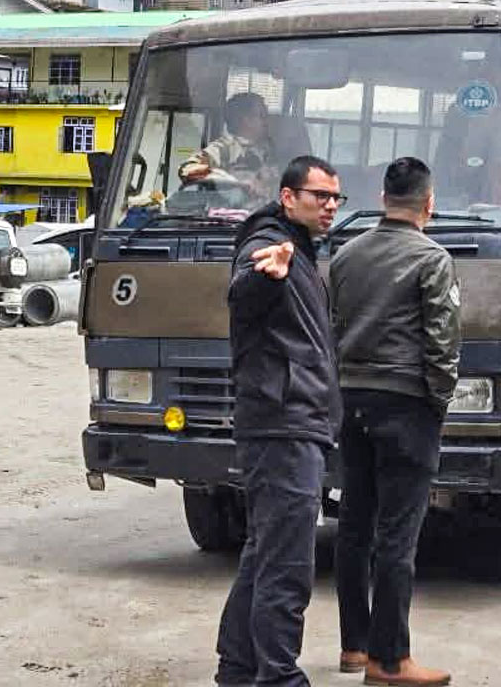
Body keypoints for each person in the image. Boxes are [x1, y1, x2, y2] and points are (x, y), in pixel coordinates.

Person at [329, 157, 459, 687]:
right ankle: (390, 661)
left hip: (350, 398)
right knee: (397, 536)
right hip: (405, 403)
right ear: (429, 203)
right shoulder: (432, 258)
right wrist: (438, 403)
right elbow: (443, 343)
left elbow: (332, 323)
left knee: (353, 525)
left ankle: (354, 647)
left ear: (384, 198)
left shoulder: (345, 253)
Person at [215, 155, 344, 687]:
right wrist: (266, 278)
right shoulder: (268, 245)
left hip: (294, 419)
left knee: (266, 551)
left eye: (336, 197)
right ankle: (279, 676)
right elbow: (245, 289)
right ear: (289, 197)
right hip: (284, 422)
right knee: (288, 563)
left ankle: (239, 666)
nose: (330, 206)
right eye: (320, 197)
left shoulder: (305, 249)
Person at [181, 92, 279, 204]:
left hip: (268, 217)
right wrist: (236, 181)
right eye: (262, 116)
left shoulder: (267, 148)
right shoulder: (225, 147)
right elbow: (187, 169)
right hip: (236, 219)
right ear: (246, 120)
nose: (267, 121)